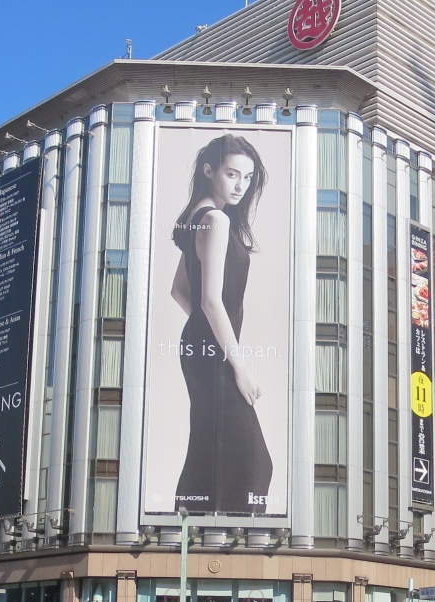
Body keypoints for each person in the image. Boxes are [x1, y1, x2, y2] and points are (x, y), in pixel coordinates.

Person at [169, 133, 274, 514]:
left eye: (247, 178)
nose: (240, 186)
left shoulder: (201, 218)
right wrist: (239, 365)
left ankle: (191, 521)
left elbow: (180, 291)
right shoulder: (213, 220)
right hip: (213, 353)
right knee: (254, 460)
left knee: (210, 444)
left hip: (202, 346)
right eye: (232, 174)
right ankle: (229, 534)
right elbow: (209, 300)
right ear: (209, 170)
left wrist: (202, 331)